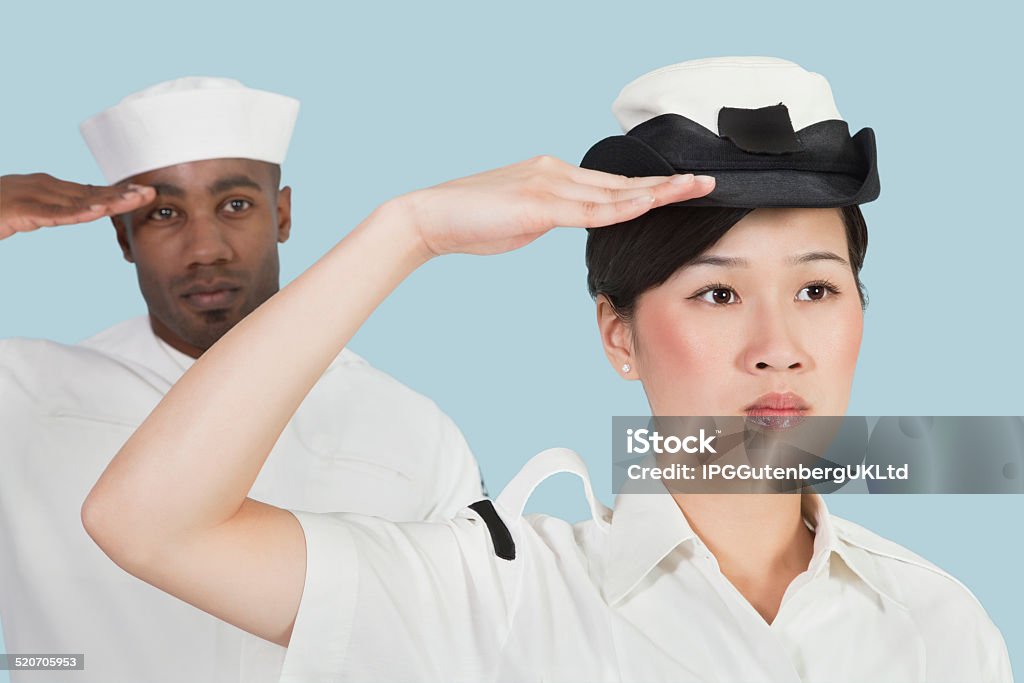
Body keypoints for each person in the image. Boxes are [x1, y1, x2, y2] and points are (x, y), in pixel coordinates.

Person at [81, 58, 1013, 682]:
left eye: (817, 289)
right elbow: (148, 523)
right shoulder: (492, 596)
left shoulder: (938, 624)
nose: (779, 344)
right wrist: (410, 231)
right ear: (618, 334)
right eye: (717, 295)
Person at [0, 77, 483, 683]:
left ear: (281, 214)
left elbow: (473, 636)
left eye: (234, 205)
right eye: (164, 214)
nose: (206, 248)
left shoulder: (412, 428)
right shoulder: (22, 394)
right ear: (122, 236)